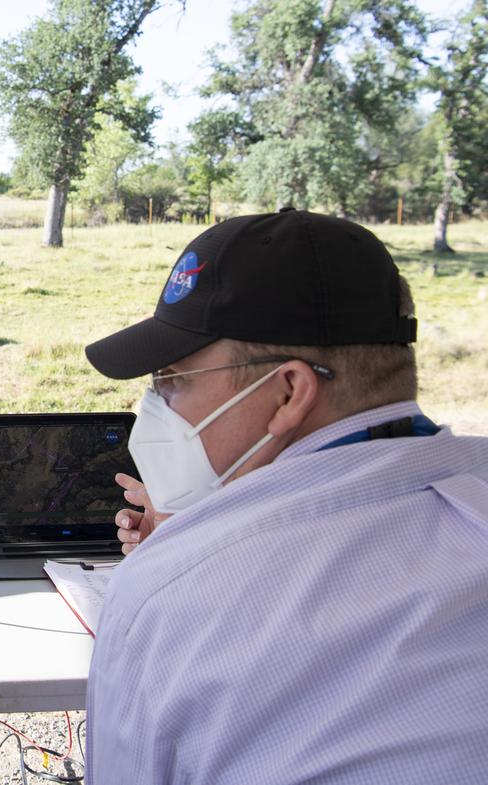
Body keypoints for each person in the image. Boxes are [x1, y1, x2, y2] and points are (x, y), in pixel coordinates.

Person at [82, 208, 488, 784]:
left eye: (173, 380)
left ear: (289, 392)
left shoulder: (170, 594)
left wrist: (179, 556)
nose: (155, 405)